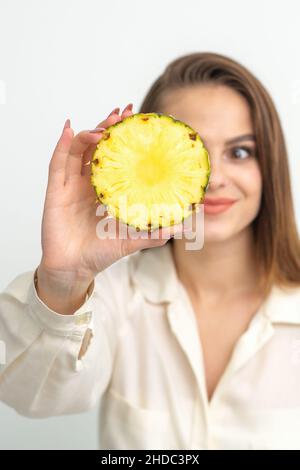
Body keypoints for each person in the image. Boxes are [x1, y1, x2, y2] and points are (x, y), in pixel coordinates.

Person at [0, 52, 299, 450]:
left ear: (271, 165)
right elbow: (30, 395)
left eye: (240, 151)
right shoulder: (112, 294)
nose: (213, 179)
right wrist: (63, 278)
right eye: (191, 150)